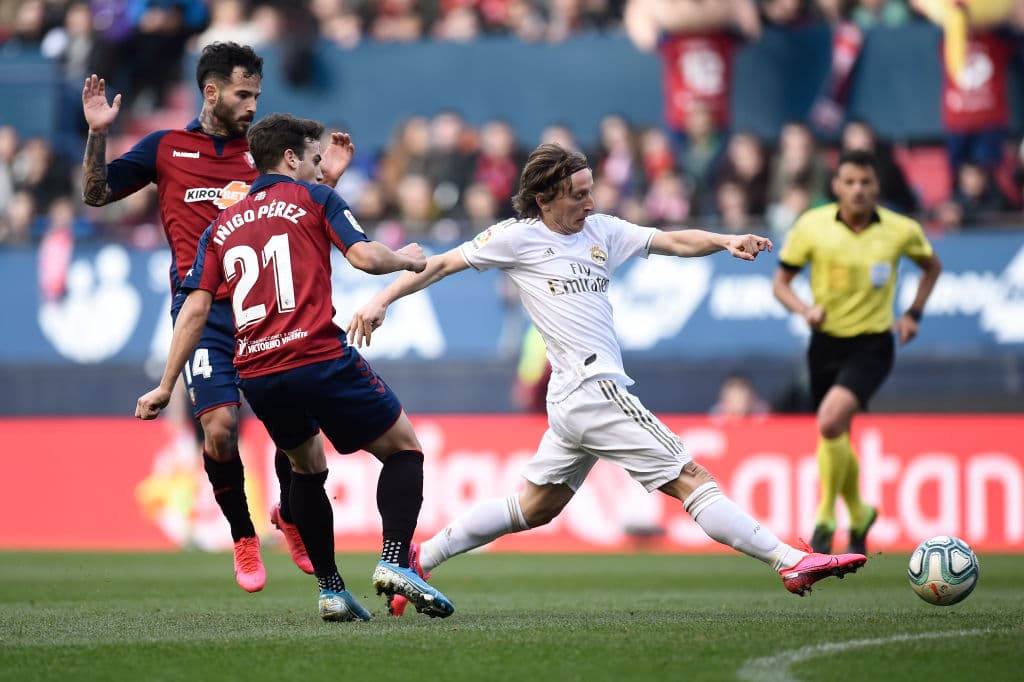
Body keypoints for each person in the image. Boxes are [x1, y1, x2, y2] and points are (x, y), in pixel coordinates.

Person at [349, 143, 868, 614]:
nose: (590, 203)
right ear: (546, 196)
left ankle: (422, 558)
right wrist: (379, 300)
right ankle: (787, 561)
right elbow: (438, 265)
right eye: (578, 195)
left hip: (572, 398)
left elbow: (672, 241)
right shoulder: (516, 238)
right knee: (691, 480)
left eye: (591, 191)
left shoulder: (602, 231)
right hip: (595, 390)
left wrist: (724, 239)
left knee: (535, 507)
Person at [134, 113, 455, 622]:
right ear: (291, 158)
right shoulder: (317, 199)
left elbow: (194, 309)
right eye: (314, 157)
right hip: (317, 355)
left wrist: (164, 384)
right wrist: (406, 259)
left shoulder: (222, 224)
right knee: (404, 449)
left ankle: (330, 589)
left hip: (258, 371)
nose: (319, 166)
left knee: (308, 467)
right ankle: (395, 560)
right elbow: (365, 258)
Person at [82, 42, 325, 591]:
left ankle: (289, 515)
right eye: (243, 94)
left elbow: (305, 206)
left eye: (257, 95)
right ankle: (243, 537)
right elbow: (96, 194)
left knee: (295, 431)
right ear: (211, 91)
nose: (251, 106)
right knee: (218, 430)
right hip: (202, 309)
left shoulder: (262, 154)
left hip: (265, 307)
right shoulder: (166, 147)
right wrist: (98, 133)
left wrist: (325, 177)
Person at [771, 149, 943, 555]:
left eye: (865, 182)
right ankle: (861, 511)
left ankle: (826, 518)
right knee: (836, 433)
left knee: (830, 421)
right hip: (826, 341)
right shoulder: (812, 226)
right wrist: (804, 309)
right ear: (836, 186)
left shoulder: (900, 229)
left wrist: (913, 313)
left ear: (876, 185)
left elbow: (931, 266)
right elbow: (781, 283)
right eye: (850, 182)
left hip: (873, 344)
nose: (858, 190)